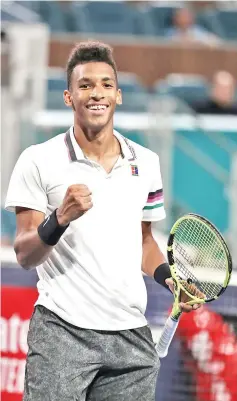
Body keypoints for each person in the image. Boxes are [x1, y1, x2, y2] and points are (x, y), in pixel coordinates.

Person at [5, 41, 200, 401]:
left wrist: (170, 281)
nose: (97, 93)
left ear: (119, 95)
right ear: (68, 97)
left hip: (131, 339)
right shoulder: (38, 160)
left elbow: (144, 243)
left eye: (106, 85)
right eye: (86, 85)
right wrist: (60, 218)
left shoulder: (147, 162)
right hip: (62, 334)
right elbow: (25, 254)